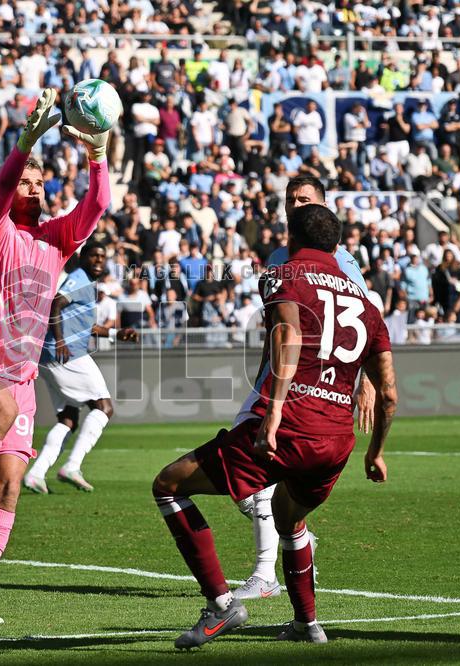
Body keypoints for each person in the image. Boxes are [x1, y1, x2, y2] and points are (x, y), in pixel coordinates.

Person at [152, 203, 397, 649]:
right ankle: (307, 624)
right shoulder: (367, 304)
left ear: (291, 237)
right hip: (336, 440)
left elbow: (287, 335)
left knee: (169, 485)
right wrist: (375, 451)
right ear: (337, 245)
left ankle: (221, 606)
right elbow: (390, 393)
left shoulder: (284, 275)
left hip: (290, 425)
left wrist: (276, 411)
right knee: (289, 518)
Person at [0, 89, 111, 624]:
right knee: (4, 414)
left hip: (17, 375)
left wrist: (98, 155)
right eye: (27, 183)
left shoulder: (57, 240)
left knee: (11, 485)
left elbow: (98, 205)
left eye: (41, 184)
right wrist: (26, 144)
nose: (34, 190)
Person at [231, 175, 377, 601]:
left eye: (305, 199)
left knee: (255, 479)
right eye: (291, 199)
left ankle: (266, 573)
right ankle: (299, 542)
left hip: (309, 386)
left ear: (325, 206)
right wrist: (262, 372)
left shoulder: (341, 260)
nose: (296, 205)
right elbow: (277, 327)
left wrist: (365, 379)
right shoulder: (278, 257)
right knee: (248, 484)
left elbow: (361, 321)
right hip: (274, 380)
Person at [23, 242, 138, 494]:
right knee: (104, 407)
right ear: (83, 258)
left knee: (68, 419)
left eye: (102, 256)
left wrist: (118, 333)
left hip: (49, 358)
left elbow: (89, 327)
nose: (98, 260)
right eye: (93, 255)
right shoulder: (80, 278)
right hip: (68, 353)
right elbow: (56, 303)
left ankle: (36, 473)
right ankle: (72, 466)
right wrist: (62, 341)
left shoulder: (87, 283)